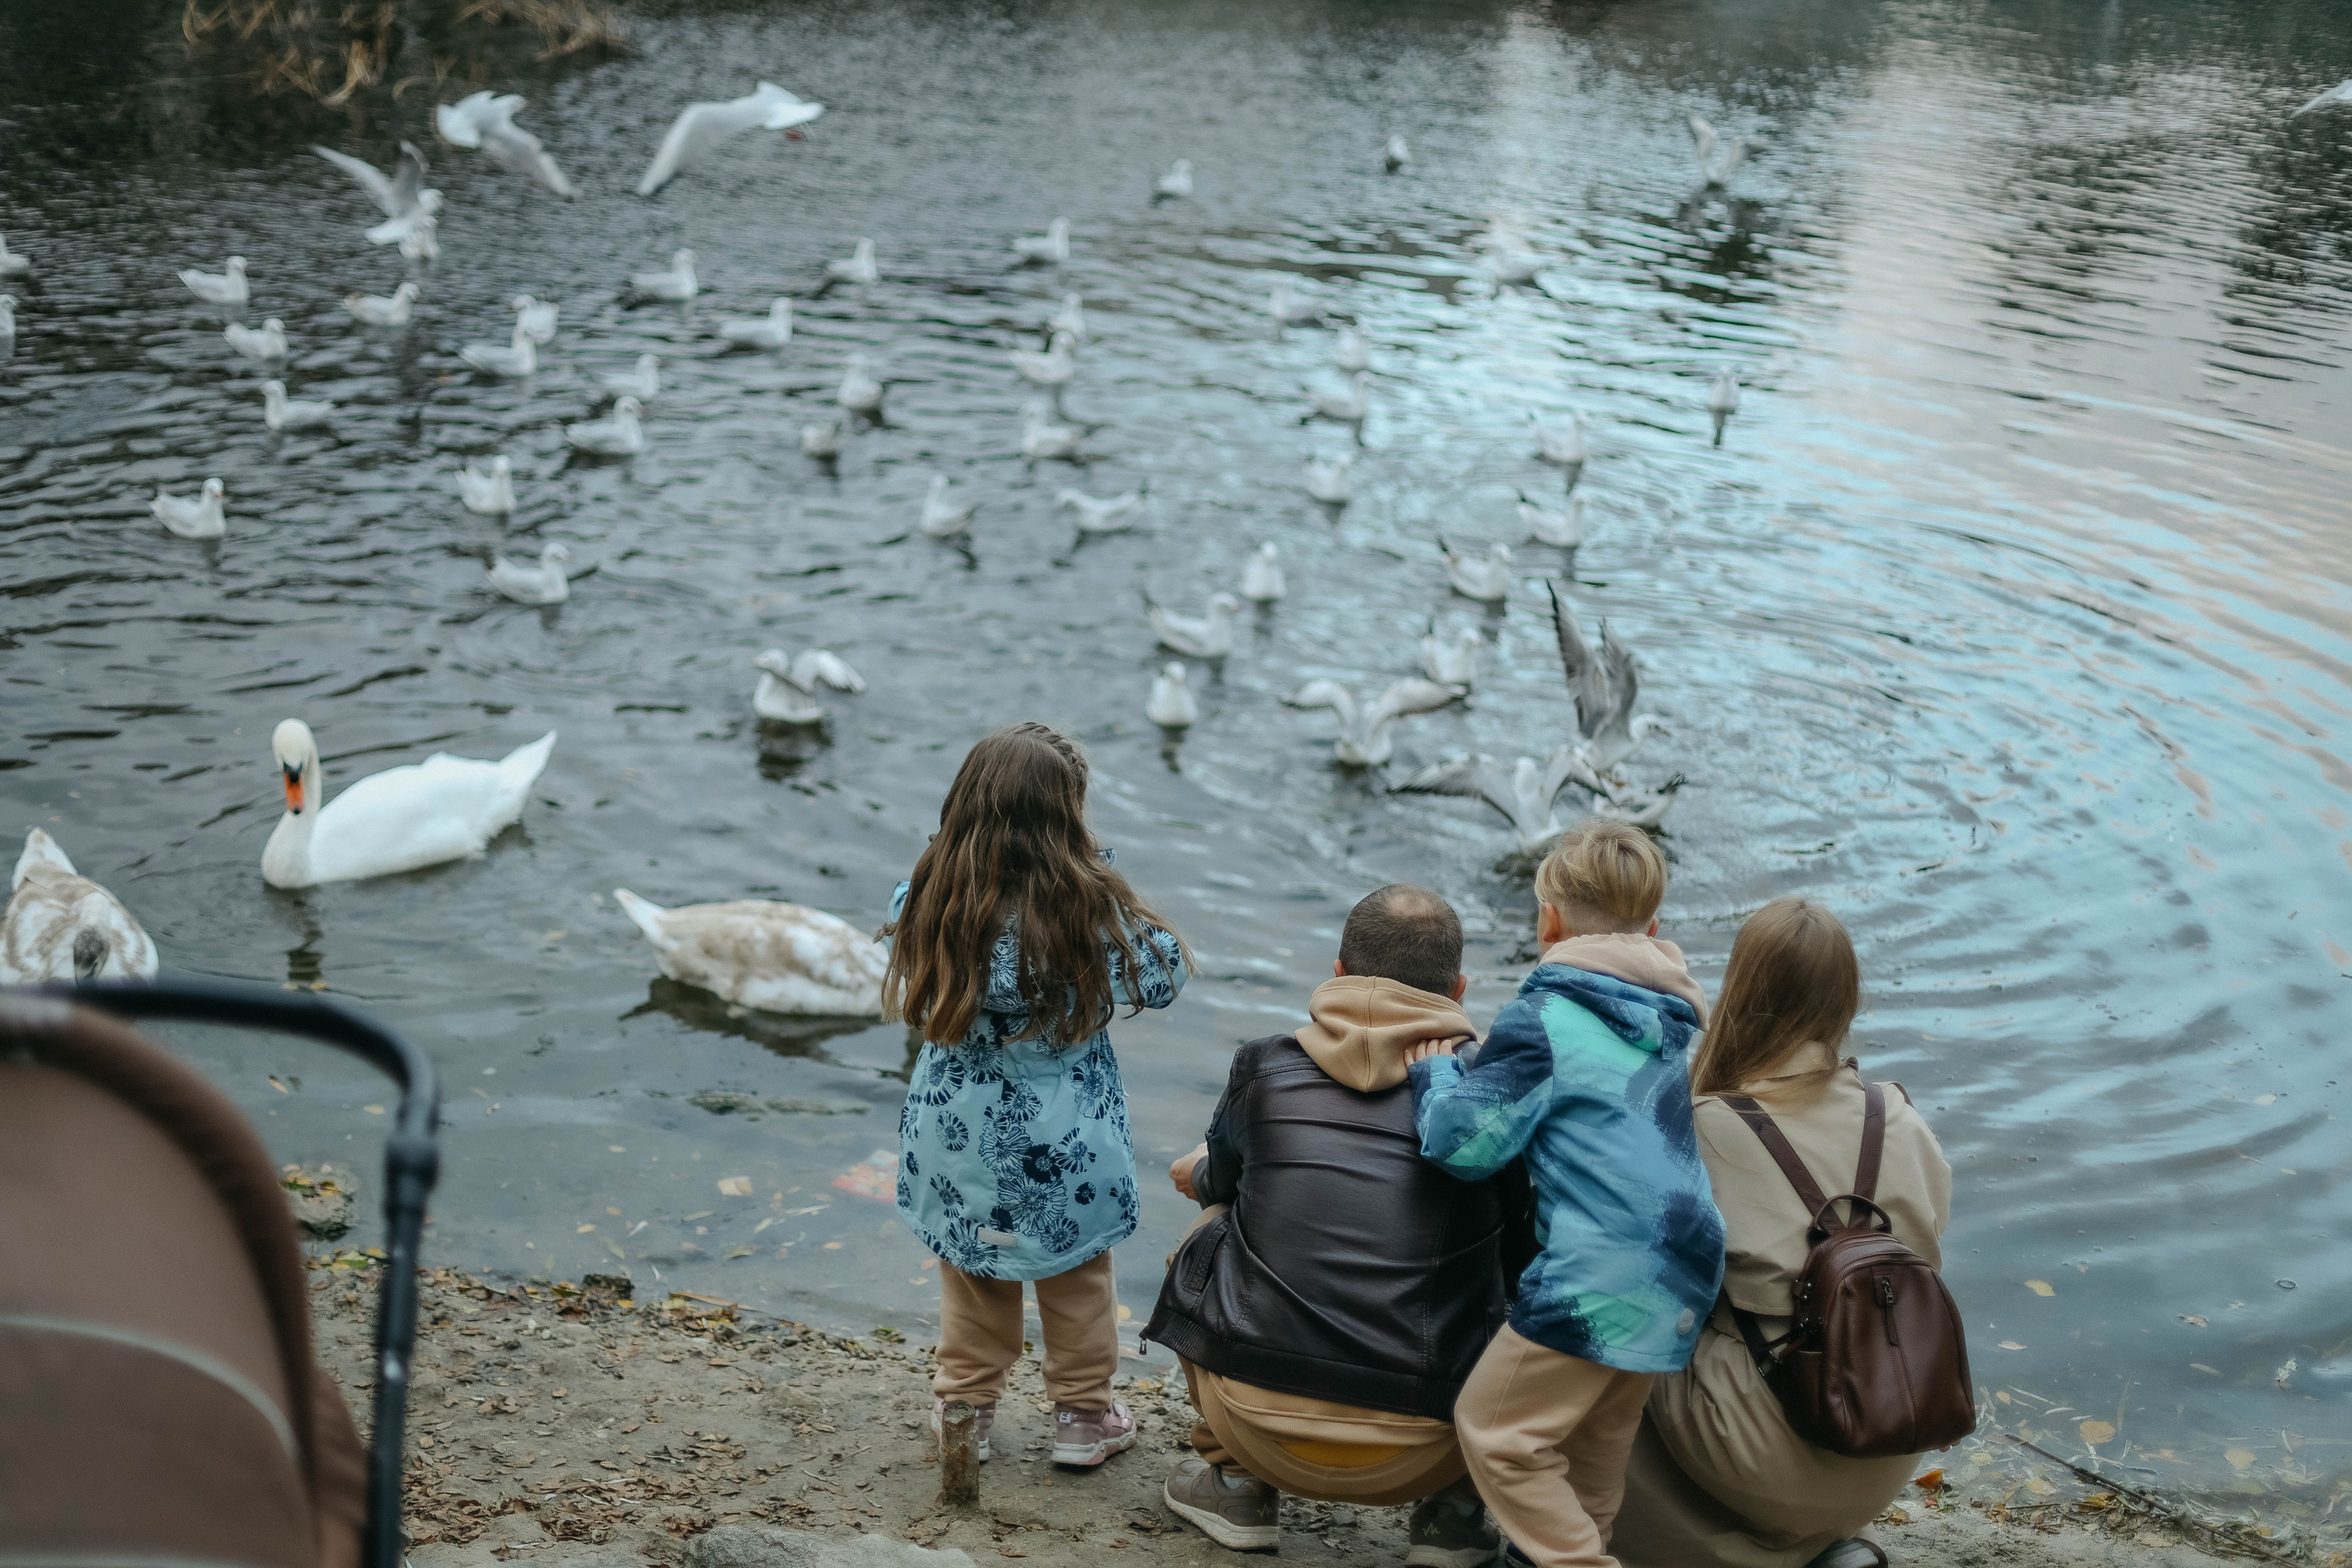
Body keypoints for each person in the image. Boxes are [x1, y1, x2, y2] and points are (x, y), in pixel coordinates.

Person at [1143, 885, 1532, 1566]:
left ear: (1339, 974)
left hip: (1259, 1422)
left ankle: (1236, 1481)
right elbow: (1527, 1248)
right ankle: (1454, 1513)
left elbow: (1225, 1183)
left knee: (1210, 1227)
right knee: (1516, 1268)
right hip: (1434, 1445)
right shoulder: (1489, 1104)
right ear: (1460, 988)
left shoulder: (1262, 1064)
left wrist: (1200, 1171)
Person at [1405, 819, 1724, 1568]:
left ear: (1547, 920)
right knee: (1589, 1457)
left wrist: (1437, 1073)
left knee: (1495, 1431)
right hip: (1682, 1260)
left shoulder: (1545, 1015)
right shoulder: (1667, 1023)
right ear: (1652, 926)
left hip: (1600, 1264)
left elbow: (1464, 1144)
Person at [1609, 898, 1951, 1568]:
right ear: (1845, 999)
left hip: (1757, 1452)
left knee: (1608, 1312)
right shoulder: (1903, 1120)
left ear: (1741, 989)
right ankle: (1819, 1547)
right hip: (1887, 1432)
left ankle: (1718, 1551)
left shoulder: (1700, 1125)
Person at [884, 722, 1188, 1468]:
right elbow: (1165, 973)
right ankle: (1084, 1418)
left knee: (973, 1271)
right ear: (1067, 822)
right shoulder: (1088, 912)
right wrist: (1098, 873)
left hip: (954, 1134)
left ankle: (966, 1405)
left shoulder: (927, 898)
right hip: (1065, 1142)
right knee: (1077, 1277)